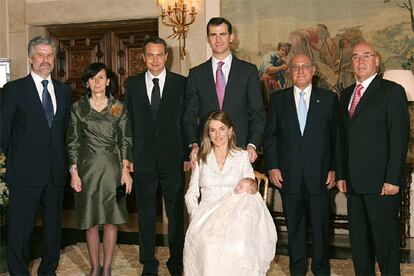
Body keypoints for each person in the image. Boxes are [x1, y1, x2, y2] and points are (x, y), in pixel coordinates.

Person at [0, 36, 72, 275]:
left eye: (49, 55)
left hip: (55, 173)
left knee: (53, 231)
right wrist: (14, 161)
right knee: (20, 230)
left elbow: (64, 132)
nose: (45, 60)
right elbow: (3, 132)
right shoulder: (14, 90)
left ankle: (48, 271)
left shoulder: (64, 91)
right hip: (23, 174)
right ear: (30, 59)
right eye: (40, 55)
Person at [336, 42, 409, 275]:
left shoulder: (392, 91)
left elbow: (399, 140)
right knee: (359, 244)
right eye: (356, 56)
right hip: (353, 184)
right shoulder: (346, 94)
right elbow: (342, 139)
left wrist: (392, 179)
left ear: (377, 60)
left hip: (381, 184)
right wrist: (341, 174)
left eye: (366, 55)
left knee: (385, 244)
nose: (360, 60)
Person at [264, 53, 338, 275]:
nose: (300, 71)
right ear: (289, 71)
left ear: (313, 70)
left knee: (320, 229)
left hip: (320, 175)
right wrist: (273, 166)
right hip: (289, 175)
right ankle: (297, 270)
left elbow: (336, 138)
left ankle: (321, 269)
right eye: (295, 67)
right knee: (294, 229)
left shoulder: (328, 99)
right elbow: (271, 137)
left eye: (305, 67)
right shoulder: (278, 100)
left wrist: (334, 168)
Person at [184, 111, 276, 276]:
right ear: (208, 134)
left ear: (230, 131)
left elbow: (251, 192)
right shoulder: (200, 158)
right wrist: (196, 215)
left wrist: (244, 219)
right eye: (212, 130)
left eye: (222, 129)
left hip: (234, 217)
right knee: (209, 244)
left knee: (237, 244)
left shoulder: (241, 157)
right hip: (206, 215)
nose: (217, 134)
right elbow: (191, 194)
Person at [125, 36, 187, 276]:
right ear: (143, 57)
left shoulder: (181, 83)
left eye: (159, 54)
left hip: (173, 159)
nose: (155, 59)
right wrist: (129, 157)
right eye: (150, 55)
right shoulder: (132, 85)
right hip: (143, 159)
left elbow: (186, 121)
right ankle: (148, 264)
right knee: (146, 214)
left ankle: (176, 263)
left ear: (166, 56)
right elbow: (127, 123)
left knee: (175, 214)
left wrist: (185, 154)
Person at [66, 62, 132, 276]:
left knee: (112, 220)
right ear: (87, 82)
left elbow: (125, 141)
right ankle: (95, 267)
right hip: (87, 171)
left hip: (113, 170)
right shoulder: (78, 108)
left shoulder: (118, 108)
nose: (97, 82)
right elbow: (73, 141)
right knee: (91, 220)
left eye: (101, 77)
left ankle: (107, 268)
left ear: (108, 81)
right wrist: (74, 172)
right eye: (93, 78)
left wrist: (125, 171)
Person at [184, 17, 265, 166]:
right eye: (213, 35)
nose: (218, 39)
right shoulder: (196, 74)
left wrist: (252, 144)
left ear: (231, 37)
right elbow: (189, 115)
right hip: (206, 152)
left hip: (241, 152)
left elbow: (257, 114)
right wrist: (194, 144)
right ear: (208, 39)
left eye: (222, 34)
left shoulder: (248, 71)